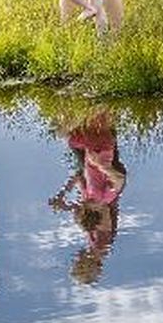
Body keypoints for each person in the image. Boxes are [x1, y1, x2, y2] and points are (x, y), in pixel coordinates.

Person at [48, 107, 126, 285]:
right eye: (79, 265)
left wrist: (63, 197)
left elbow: (84, 194)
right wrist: (100, 166)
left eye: (76, 264)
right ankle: (96, 104)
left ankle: (86, 104)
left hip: (95, 161)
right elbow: (102, 208)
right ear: (90, 266)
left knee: (72, 135)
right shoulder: (101, 245)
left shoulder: (92, 241)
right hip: (101, 157)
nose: (76, 260)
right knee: (75, 133)